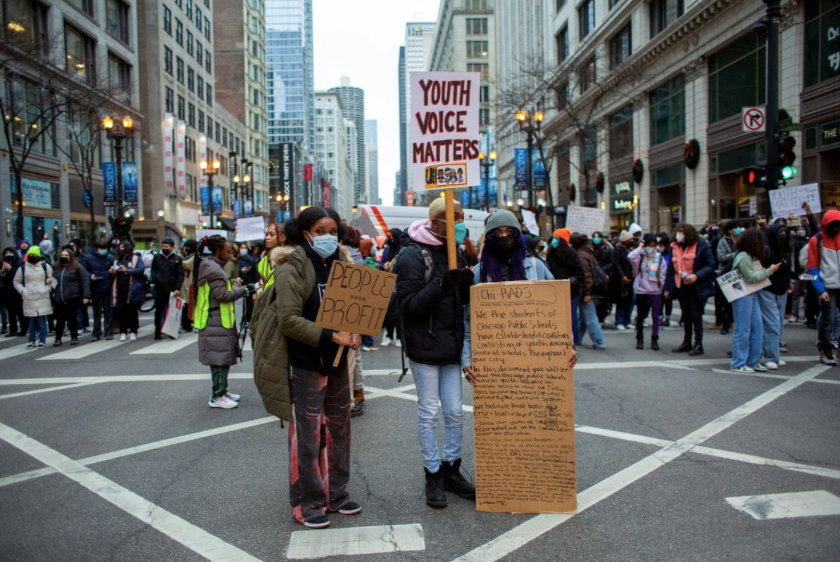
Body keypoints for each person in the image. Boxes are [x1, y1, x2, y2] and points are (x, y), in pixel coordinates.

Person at [262, 207, 362, 529]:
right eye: (320, 231)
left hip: (337, 363)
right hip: (306, 365)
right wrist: (332, 334)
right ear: (305, 234)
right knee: (307, 437)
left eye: (333, 231)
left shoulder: (343, 264)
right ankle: (308, 502)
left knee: (340, 431)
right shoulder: (290, 268)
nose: (328, 237)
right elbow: (288, 320)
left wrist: (357, 330)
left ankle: (337, 493)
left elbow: (353, 310)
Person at [392, 197, 475, 510]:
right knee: (429, 411)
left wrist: (465, 287)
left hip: (452, 347)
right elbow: (408, 306)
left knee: (454, 411)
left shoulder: (457, 252)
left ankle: (452, 468)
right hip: (425, 346)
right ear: (436, 221)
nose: (460, 223)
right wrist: (442, 284)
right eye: (455, 217)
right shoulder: (414, 254)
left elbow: (459, 305)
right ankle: (433, 474)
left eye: (462, 217)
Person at [194, 235, 251, 409]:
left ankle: (222, 391)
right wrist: (243, 290)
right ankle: (217, 396)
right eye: (228, 251)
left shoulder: (211, 267)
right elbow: (223, 296)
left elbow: (217, 290)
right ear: (218, 251)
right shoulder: (213, 270)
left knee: (223, 358)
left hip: (217, 320)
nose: (231, 255)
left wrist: (232, 283)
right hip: (215, 321)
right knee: (219, 360)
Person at [730, 229, 781, 373]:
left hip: (751, 293)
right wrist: (769, 271)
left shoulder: (749, 256)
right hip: (743, 294)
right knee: (743, 329)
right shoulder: (744, 256)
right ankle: (738, 363)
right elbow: (750, 278)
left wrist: (764, 271)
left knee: (757, 327)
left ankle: (752, 361)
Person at [670, 223, 715, 356]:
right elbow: (671, 269)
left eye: (682, 232)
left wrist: (697, 275)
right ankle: (686, 341)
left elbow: (711, 265)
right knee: (686, 315)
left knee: (696, 315)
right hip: (682, 285)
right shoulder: (675, 246)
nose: (679, 234)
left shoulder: (701, 245)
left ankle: (698, 343)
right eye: (677, 231)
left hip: (696, 285)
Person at [807, 210, 840, 365]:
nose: (836, 229)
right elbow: (812, 269)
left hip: (832, 285)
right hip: (827, 286)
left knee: (831, 319)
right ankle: (825, 351)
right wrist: (820, 290)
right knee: (828, 319)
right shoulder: (816, 240)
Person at [757, 223, 791, 370]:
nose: (783, 235)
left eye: (785, 232)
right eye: (780, 232)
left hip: (782, 291)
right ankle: (770, 356)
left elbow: (786, 269)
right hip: (768, 290)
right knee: (772, 324)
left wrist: (789, 281)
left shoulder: (785, 249)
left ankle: (774, 355)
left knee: (779, 324)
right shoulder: (766, 250)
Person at [341, 226, 367, 416]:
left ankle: (349, 398)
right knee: (354, 355)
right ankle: (357, 392)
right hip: (357, 311)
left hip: (342, 312)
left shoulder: (342, 256)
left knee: (348, 358)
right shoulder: (359, 256)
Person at [546, 228, 584, 343]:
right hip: (555, 290)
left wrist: (568, 282)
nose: (554, 240)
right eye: (553, 238)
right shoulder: (551, 253)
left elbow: (580, 273)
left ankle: (574, 341)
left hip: (570, 291)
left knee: (571, 317)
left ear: (562, 240)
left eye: (557, 238)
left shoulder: (572, 254)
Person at [629, 234, 667, 350]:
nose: (651, 247)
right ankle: (639, 338)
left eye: (653, 244)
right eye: (649, 244)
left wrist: (660, 289)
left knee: (656, 316)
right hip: (642, 291)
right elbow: (630, 257)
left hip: (655, 291)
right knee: (641, 316)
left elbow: (662, 275)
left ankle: (654, 338)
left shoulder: (660, 258)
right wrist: (640, 248)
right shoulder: (640, 257)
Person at [570, 233, 606, 350]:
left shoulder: (580, 255)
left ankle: (599, 342)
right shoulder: (588, 252)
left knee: (590, 317)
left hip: (588, 291)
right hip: (593, 289)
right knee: (584, 316)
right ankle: (578, 339)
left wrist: (586, 293)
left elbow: (586, 276)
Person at [13, 246, 52, 348]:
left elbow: (52, 280)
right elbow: (16, 281)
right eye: (30, 255)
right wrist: (23, 291)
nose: (32, 257)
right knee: (32, 321)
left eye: (34, 255)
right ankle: (31, 340)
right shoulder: (23, 268)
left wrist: (47, 287)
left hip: (42, 296)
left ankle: (42, 339)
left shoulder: (45, 266)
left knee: (42, 320)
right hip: (29, 297)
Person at [52, 246, 90, 346]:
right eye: (62, 255)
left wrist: (86, 296)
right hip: (58, 297)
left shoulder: (77, 267)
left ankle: (74, 337)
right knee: (59, 320)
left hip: (72, 297)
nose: (64, 257)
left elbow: (85, 281)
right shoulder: (56, 267)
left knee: (72, 319)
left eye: (66, 255)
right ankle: (58, 338)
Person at [151, 238, 185, 340]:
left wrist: (177, 288)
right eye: (163, 246)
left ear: (172, 247)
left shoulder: (177, 259)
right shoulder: (157, 258)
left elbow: (180, 274)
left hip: (172, 289)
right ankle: (157, 331)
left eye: (167, 247)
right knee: (159, 311)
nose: (165, 248)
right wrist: (157, 280)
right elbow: (153, 271)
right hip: (160, 289)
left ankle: (171, 331)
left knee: (171, 311)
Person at [82, 240, 116, 341]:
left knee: (108, 311)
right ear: (95, 249)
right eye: (101, 249)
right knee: (96, 312)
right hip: (95, 287)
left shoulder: (110, 258)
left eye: (104, 248)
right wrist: (90, 276)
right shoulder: (88, 258)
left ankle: (108, 332)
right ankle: (96, 333)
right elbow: (83, 271)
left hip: (107, 287)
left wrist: (113, 272)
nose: (103, 251)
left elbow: (115, 269)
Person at [111, 243, 145, 342]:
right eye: (120, 248)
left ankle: (133, 331)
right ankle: (123, 332)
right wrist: (112, 271)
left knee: (132, 310)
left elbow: (141, 269)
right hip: (119, 289)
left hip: (132, 289)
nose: (121, 249)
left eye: (123, 247)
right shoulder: (117, 260)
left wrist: (128, 270)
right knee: (121, 311)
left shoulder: (135, 258)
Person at [715, 221, 743, 335]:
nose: (738, 229)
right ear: (729, 230)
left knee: (737, 298)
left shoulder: (741, 239)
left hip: (739, 272)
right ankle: (726, 323)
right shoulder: (723, 241)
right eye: (735, 227)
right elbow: (721, 257)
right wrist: (736, 254)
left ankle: (734, 321)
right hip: (727, 273)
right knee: (726, 300)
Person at [610, 230, 636, 330]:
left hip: (630, 278)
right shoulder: (618, 250)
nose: (632, 241)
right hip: (621, 280)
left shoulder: (629, 250)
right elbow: (617, 264)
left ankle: (627, 320)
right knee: (622, 301)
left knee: (630, 300)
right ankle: (619, 321)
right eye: (630, 240)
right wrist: (622, 276)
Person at [2, 247, 27, 337]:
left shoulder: (20, 263)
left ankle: (24, 329)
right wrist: (3, 270)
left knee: (20, 312)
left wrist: (10, 269)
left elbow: (19, 277)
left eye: (10, 253)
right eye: (6, 253)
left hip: (17, 291)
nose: (8, 255)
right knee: (11, 312)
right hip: (7, 292)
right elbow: (3, 279)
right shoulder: (4, 263)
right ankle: (13, 330)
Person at [591, 231, 613, 325]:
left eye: (598, 237)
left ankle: (601, 317)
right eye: (594, 237)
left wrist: (602, 270)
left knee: (603, 298)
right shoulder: (589, 249)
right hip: (593, 275)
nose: (596, 238)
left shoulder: (607, 248)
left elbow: (611, 262)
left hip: (604, 275)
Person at [180, 239, 199, 332]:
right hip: (185, 283)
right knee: (186, 305)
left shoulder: (194, 257)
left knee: (188, 304)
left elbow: (186, 265)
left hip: (189, 283)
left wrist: (177, 259)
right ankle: (186, 324)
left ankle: (188, 324)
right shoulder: (188, 256)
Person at [258, 223, 285, 289]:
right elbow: (263, 284)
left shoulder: (286, 258)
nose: (267, 237)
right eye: (267, 235)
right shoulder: (263, 261)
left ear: (282, 237)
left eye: (271, 234)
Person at [657, 234, 675, 327]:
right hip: (658, 281)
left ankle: (667, 319)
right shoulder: (658, 255)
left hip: (668, 282)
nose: (659, 248)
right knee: (660, 301)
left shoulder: (670, 255)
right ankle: (660, 318)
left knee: (668, 301)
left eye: (661, 246)